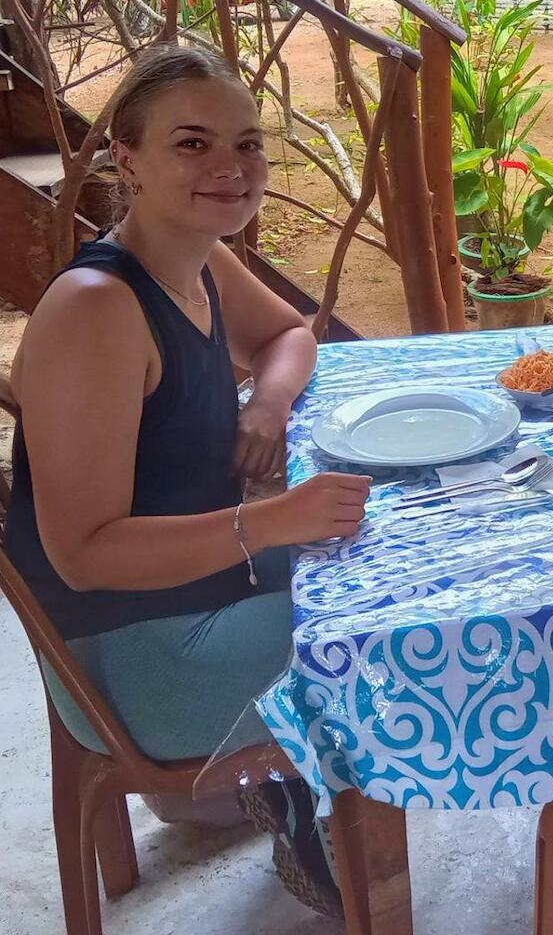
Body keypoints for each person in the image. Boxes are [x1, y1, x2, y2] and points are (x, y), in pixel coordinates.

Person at [5, 45, 369, 915]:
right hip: (134, 657)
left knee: (389, 548)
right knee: (394, 648)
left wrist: (265, 410)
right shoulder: (98, 309)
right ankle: (338, 837)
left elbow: (288, 337)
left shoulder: (192, 255)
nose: (231, 169)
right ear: (126, 159)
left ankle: (270, 788)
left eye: (248, 144)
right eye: (194, 143)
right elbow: (86, 556)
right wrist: (270, 522)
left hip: (197, 585)